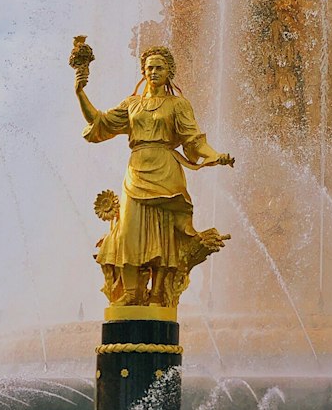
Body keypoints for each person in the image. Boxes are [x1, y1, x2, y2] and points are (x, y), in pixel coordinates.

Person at [75, 44, 234, 307]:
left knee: (163, 232)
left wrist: (215, 155)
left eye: (160, 67)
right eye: (149, 67)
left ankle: (158, 292)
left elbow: (193, 140)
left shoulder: (178, 105)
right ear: (143, 71)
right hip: (137, 169)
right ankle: (131, 291)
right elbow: (99, 121)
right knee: (126, 230)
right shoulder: (132, 104)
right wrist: (80, 92)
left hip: (166, 168)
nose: (154, 71)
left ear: (169, 71)